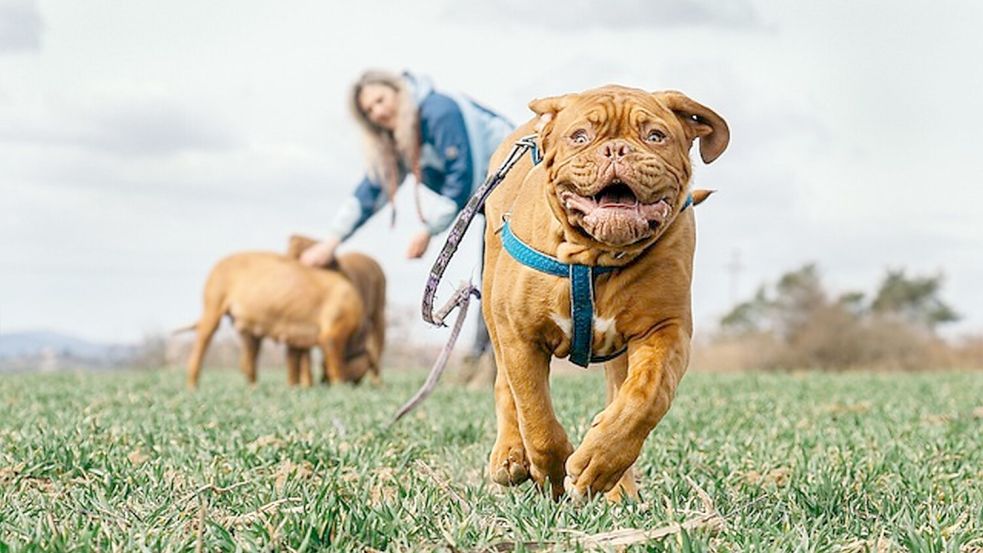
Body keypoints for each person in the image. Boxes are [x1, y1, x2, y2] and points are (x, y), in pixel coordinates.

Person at [300, 69, 513, 361]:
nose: (377, 112)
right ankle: (484, 356)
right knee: (494, 273)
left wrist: (429, 230)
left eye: (380, 100)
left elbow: (463, 175)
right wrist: (331, 241)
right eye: (369, 110)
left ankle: (486, 356)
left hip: (520, 187)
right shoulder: (402, 139)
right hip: (494, 205)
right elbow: (372, 191)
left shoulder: (439, 112)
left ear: (398, 92)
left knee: (499, 274)